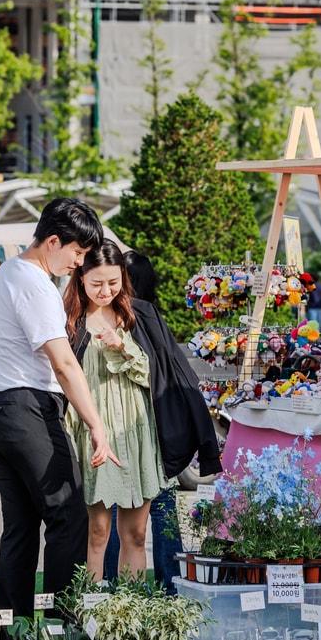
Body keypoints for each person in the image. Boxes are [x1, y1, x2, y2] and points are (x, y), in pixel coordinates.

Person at [0, 198, 120, 621]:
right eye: (76, 253)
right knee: (70, 515)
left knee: (20, 530)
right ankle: (63, 634)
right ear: (53, 241)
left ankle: (13, 638)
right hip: (27, 409)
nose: (78, 264)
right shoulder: (34, 281)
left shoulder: (9, 272)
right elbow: (62, 363)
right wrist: (97, 424)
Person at [99, 250, 222, 591]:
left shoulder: (126, 317)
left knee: (113, 509)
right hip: (160, 433)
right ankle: (173, 585)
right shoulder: (152, 315)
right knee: (162, 510)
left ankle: (109, 586)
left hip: (131, 430)